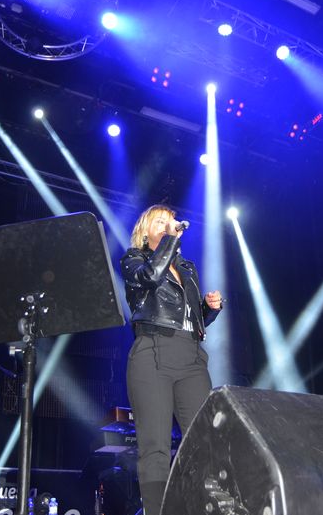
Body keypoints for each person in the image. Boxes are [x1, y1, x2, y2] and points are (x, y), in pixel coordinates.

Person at [120, 205, 223, 515]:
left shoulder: (187, 267)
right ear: (145, 232)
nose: (168, 225)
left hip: (191, 355)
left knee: (204, 441)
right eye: (160, 222)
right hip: (153, 351)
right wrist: (171, 238)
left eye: (170, 221)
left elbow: (188, 317)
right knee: (155, 448)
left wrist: (209, 310)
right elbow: (151, 277)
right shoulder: (134, 260)